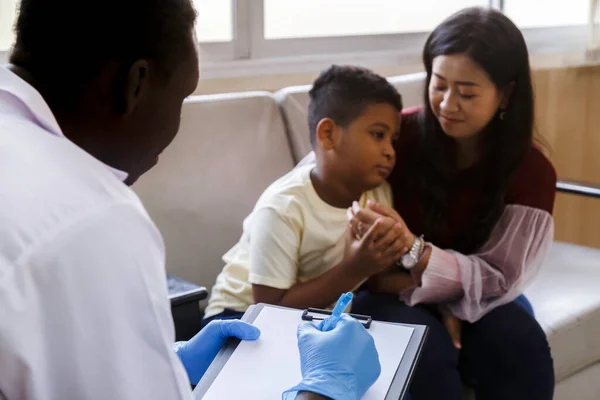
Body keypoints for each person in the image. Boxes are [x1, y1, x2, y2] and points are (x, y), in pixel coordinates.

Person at [0, 1, 380, 399]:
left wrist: (167, 361)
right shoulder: (93, 219)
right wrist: (324, 390)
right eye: (182, 96)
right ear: (136, 85)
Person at [346, 7, 556, 400]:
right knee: (423, 350)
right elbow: (324, 184)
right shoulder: (396, 136)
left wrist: (417, 253)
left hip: (480, 290)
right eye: (439, 84)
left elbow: (497, 277)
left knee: (519, 344)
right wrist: (427, 291)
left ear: (506, 93)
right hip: (388, 287)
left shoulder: (531, 171)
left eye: (467, 93)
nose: (447, 104)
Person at [202, 65, 405, 325]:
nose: (390, 151)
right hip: (239, 317)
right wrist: (353, 269)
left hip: (315, 315)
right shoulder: (283, 207)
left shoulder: (379, 194)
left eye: (393, 139)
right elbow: (269, 309)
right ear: (328, 135)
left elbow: (378, 276)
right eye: (378, 135)